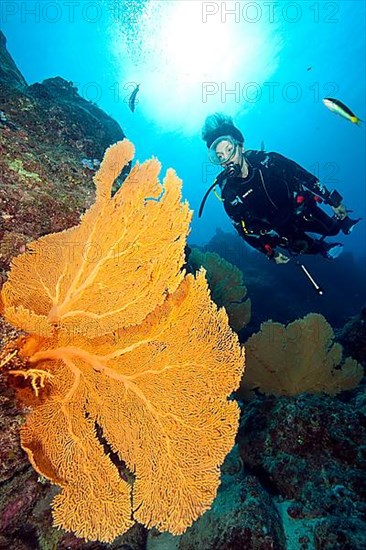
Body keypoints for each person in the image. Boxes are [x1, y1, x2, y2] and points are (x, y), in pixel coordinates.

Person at [200, 113, 361, 264]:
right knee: (303, 246)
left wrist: (334, 201)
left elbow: (305, 177)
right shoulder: (229, 193)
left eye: (229, 150)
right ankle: (323, 249)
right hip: (281, 229)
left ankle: (342, 222)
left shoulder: (269, 161)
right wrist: (269, 253)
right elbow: (242, 230)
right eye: (219, 156)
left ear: (241, 147)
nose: (226, 159)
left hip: (300, 209)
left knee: (332, 230)